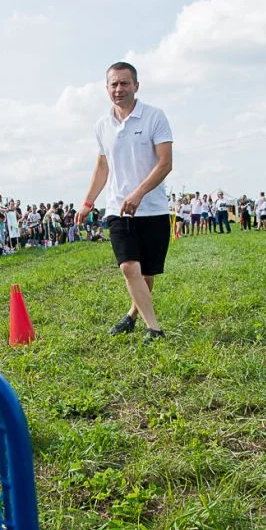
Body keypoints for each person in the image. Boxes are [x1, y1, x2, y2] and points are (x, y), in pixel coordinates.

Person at [77, 61, 173, 344]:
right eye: (114, 84)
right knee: (128, 267)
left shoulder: (155, 117)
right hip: (118, 209)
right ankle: (154, 329)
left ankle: (132, 315)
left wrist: (139, 193)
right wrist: (88, 201)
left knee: (146, 272)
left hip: (152, 208)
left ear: (136, 86)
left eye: (124, 83)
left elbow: (166, 163)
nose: (119, 89)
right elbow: (102, 167)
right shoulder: (102, 125)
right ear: (107, 88)